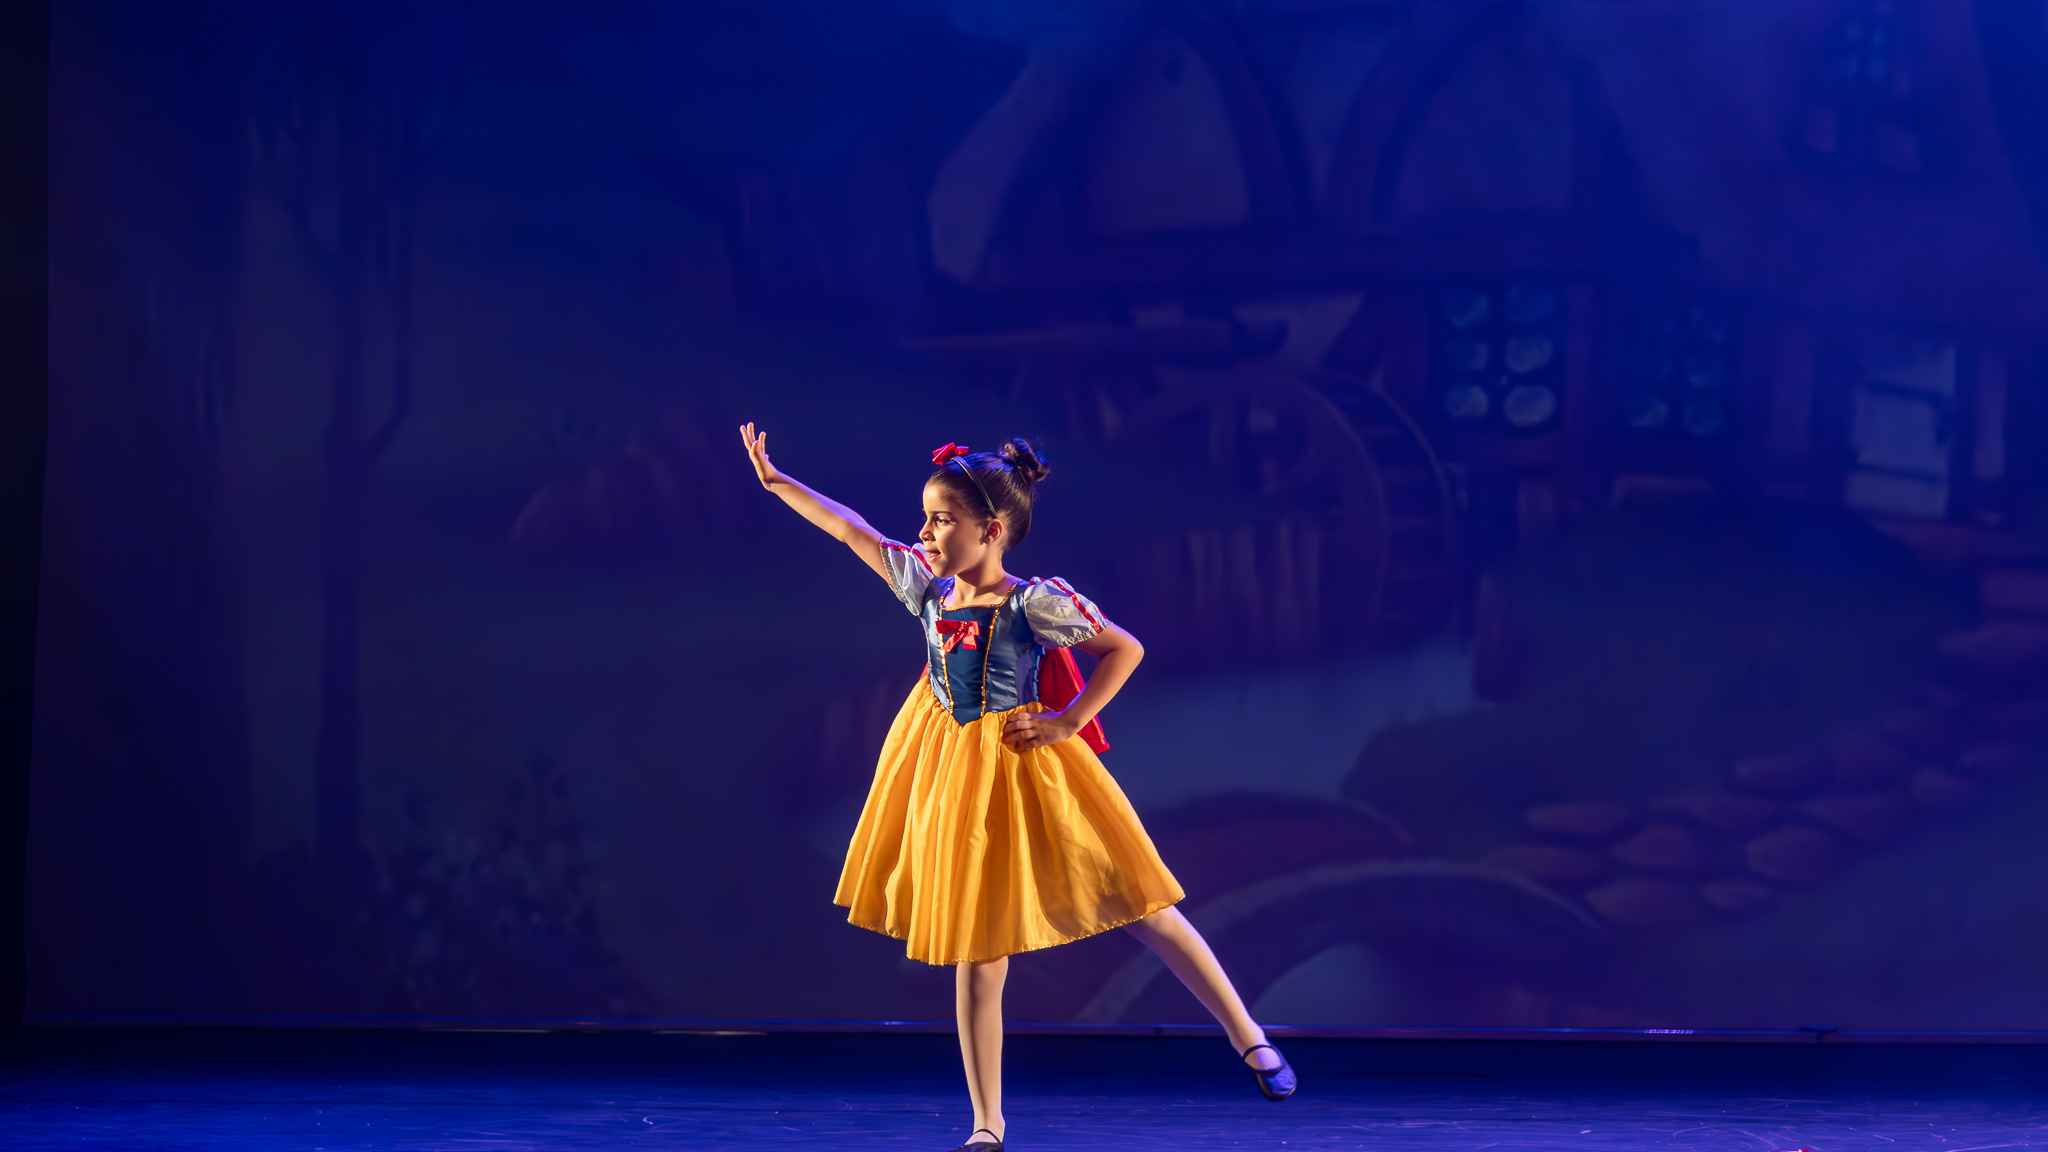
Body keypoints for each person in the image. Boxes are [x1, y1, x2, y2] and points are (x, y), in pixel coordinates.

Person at [739, 425, 1294, 1150]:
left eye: (942, 520)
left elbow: (1124, 648)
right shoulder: (928, 588)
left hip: (1024, 760)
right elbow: (852, 531)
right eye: (927, 518)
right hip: (951, 765)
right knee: (979, 949)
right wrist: (779, 482)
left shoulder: (1033, 604)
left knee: (1144, 905)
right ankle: (987, 1122)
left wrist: (1068, 721)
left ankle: (1248, 1034)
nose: (925, 533)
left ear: (991, 530)